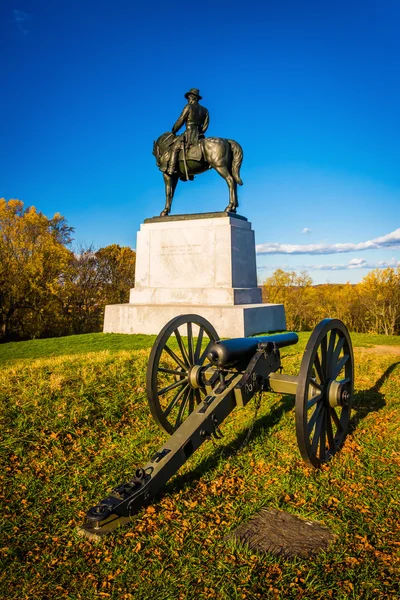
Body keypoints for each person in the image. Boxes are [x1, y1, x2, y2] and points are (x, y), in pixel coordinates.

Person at [167, 88, 209, 175]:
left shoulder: (188, 107)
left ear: (192, 97)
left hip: (189, 134)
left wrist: (174, 130)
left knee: (174, 148)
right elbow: (205, 126)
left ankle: (171, 168)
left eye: (189, 97)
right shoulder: (205, 110)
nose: (188, 99)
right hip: (199, 134)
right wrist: (200, 131)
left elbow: (181, 120)